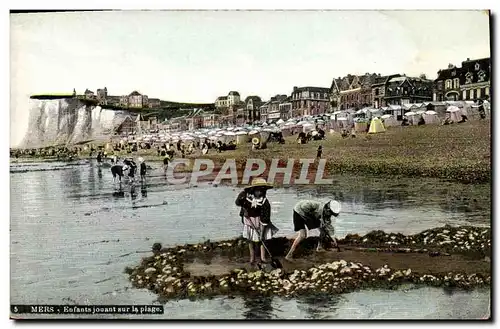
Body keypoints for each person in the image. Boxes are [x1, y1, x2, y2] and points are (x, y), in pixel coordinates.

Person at [235, 178, 279, 266]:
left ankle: (263, 257)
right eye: (258, 190)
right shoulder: (246, 197)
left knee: (262, 239)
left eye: (262, 190)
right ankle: (252, 257)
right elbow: (238, 202)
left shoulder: (264, 202)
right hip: (249, 220)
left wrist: (262, 232)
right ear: (253, 190)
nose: (260, 192)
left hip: (261, 221)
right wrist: (244, 208)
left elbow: (265, 218)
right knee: (250, 239)